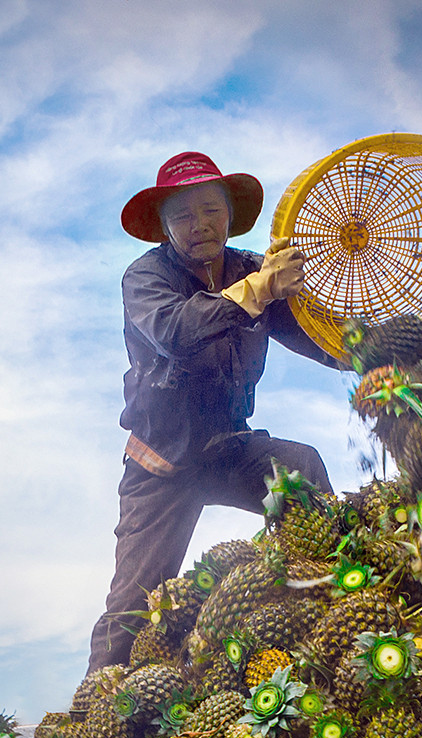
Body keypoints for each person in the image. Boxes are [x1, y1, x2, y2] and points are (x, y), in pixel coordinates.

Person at [87, 150, 348, 671]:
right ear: (163, 227)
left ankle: (322, 616)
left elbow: (323, 338)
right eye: (182, 215)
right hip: (161, 465)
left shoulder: (255, 269)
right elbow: (174, 332)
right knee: (131, 611)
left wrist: (391, 350)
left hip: (227, 449)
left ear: (230, 213)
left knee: (302, 469)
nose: (199, 225)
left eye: (210, 210)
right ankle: (86, 721)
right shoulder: (145, 279)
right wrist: (259, 289)